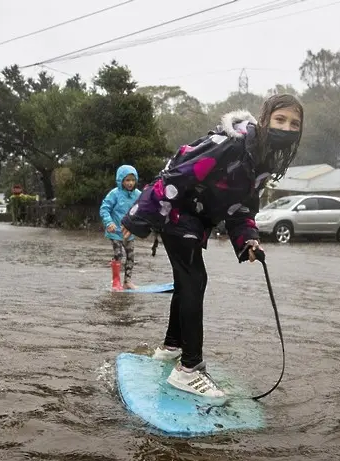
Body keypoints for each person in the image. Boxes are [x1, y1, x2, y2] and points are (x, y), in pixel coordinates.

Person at [120, 94, 304, 398]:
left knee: (186, 281)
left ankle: (171, 348)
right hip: (176, 212)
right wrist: (138, 217)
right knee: (195, 279)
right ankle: (188, 369)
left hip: (195, 221)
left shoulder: (262, 160)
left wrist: (248, 241)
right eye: (280, 119)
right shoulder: (232, 143)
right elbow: (177, 174)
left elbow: (241, 208)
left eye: (294, 124)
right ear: (265, 118)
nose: (286, 128)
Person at [99, 164, 141, 291]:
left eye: (133, 180)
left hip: (129, 232)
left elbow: (143, 210)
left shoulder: (138, 195)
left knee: (131, 255)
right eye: (127, 180)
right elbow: (104, 209)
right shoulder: (114, 194)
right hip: (115, 231)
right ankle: (116, 282)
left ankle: (127, 281)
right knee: (118, 254)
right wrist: (108, 223)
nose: (130, 183)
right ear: (121, 180)